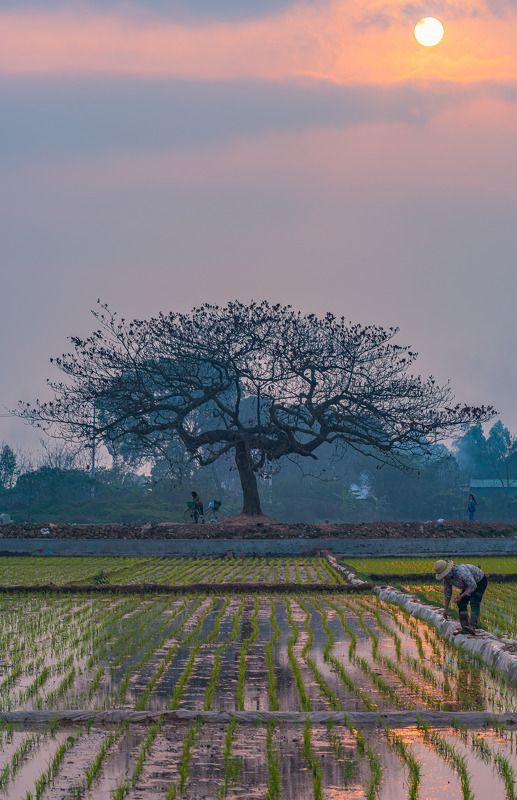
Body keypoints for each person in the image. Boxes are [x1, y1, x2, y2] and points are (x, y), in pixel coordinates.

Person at [434, 559, 488, 635]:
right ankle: (465, 627)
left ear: (448, 570)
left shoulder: (461, 572)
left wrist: (461, 596)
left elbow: (473, 585)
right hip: (468, 585)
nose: (444, 577)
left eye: (444, 574)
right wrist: (445, 609)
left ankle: (473, 626)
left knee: (474, 601)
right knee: (461, 602)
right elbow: (447, 593)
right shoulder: (446, 579)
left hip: (479, 581)